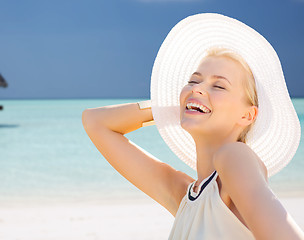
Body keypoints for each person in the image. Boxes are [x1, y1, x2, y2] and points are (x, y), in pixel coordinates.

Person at [82, 13, 304, 239]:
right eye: (194, 81)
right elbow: (95, 122)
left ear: (248, 115)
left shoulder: (235, 156)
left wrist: (193, 102)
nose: (198, 88)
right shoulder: (185, 196)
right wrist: (178, 106)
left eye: (219, 86)